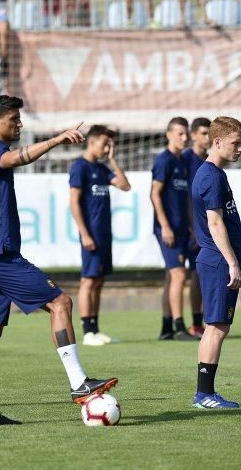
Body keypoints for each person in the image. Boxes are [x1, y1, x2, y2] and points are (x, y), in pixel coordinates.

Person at [0, 95, 117, 425]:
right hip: (0, 256)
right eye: (14, 119)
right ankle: (79, 383)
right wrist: (57, 138)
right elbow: (19, 158)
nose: (19, 124)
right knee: (61, 303)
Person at [190, 116, 241, 409]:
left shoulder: (217, 174)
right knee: (215, 328)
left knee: (219, 327)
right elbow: (215, 224)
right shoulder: (210, 176)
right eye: (236, 143)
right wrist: (232, 262)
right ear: (217, 142)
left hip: (222, 258)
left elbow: (226, 222)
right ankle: (204, 395)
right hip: (217, 261)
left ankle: (206, 393)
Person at [69, 126, 131, 346]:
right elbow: (74, 202)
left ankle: (95, 328)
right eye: (105, 143)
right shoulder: (80, 167)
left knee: (99, 281)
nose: (107, 147)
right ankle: (87, 331)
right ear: (92, 141)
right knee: (88, 280)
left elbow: (125, 186)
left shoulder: (103, 170)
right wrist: (84, 233)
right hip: (91, 235)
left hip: (104, 235)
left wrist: (113, 159)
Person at [151, 117, 198, 341]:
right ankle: (180, 327)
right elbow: (155, 194)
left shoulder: (182, 162)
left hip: (182, 228)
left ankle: (166, 327)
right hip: (167, 229)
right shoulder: (164, 160)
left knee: (173, 277)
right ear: (168, 134)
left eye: (186, 133)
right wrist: (165, 225)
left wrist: (191, 226)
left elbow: (187, 200)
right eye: (180, 133)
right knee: (179, 274)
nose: (184, 137)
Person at [181, 117, 211, 338]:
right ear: (193, 135)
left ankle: (207, 320)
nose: (207, 137)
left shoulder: (210, 160)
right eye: (203, 133)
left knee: (207, 273)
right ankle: (194, 322)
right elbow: (181, 196)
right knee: (195, 274)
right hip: (192, 228)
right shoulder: (184, 160)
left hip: (209, 225)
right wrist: (190, 226)